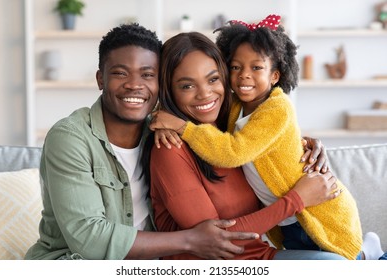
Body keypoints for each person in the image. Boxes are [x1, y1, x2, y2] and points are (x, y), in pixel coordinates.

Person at [24, 23, 266, 260]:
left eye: (147, 74)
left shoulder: (164, 132)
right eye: (120, 73)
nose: (134, 85)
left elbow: (245, 140)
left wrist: (299, 145)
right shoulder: (70, 138)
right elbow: (90, 239)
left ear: (160, 84)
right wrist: (191, 239)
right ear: (100, 80)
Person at [148, 15, 369, 260]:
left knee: (342, 261)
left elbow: (258, 139)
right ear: (169, 89)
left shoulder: (224, 124)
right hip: (221, 262)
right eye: (187, 86)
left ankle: (370, 254)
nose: (205, 94)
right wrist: (297, 199)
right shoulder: (171, 146)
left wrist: (304, 142)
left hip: (276, 241)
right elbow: (215, 240)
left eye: (213, 79)